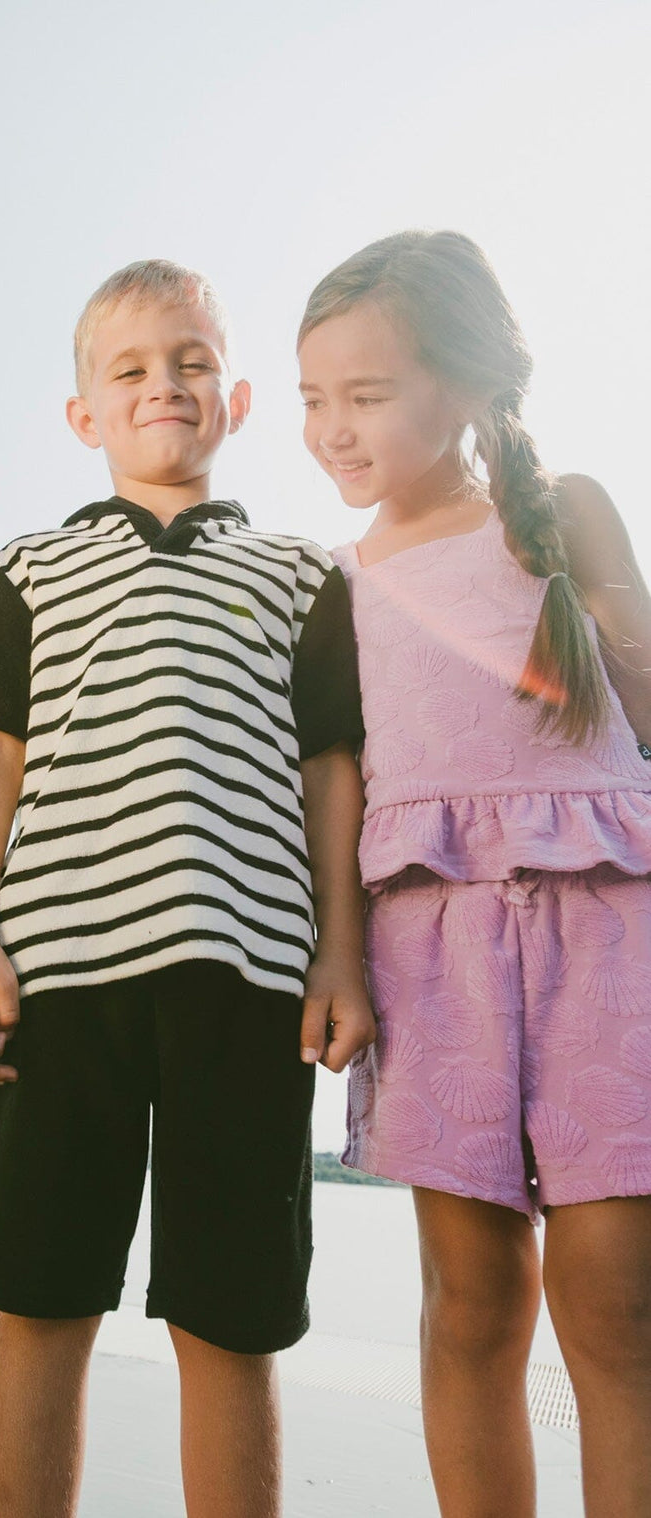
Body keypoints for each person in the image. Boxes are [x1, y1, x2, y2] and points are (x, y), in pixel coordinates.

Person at [0, 259, 374, 1518]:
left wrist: (340, 951)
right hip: (55, 973)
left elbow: (328, 768)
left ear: (231, 398)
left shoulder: (300, 575)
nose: (159, 385)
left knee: (231, 1315)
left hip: (248, 979)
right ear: (83, 416)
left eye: (186, 363)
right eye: (126, 370)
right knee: (40, 1295)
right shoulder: (28, 567)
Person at [298, 229, 651, 1517]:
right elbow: (330, 782)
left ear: (465, 382)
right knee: (469, 1304)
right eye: (311, 401)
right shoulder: (334, 582)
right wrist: (335, 958)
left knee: (615, 1303)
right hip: (431, 956)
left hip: (608, 934)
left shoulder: (567, 513)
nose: (333, 430)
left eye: (367, 397)